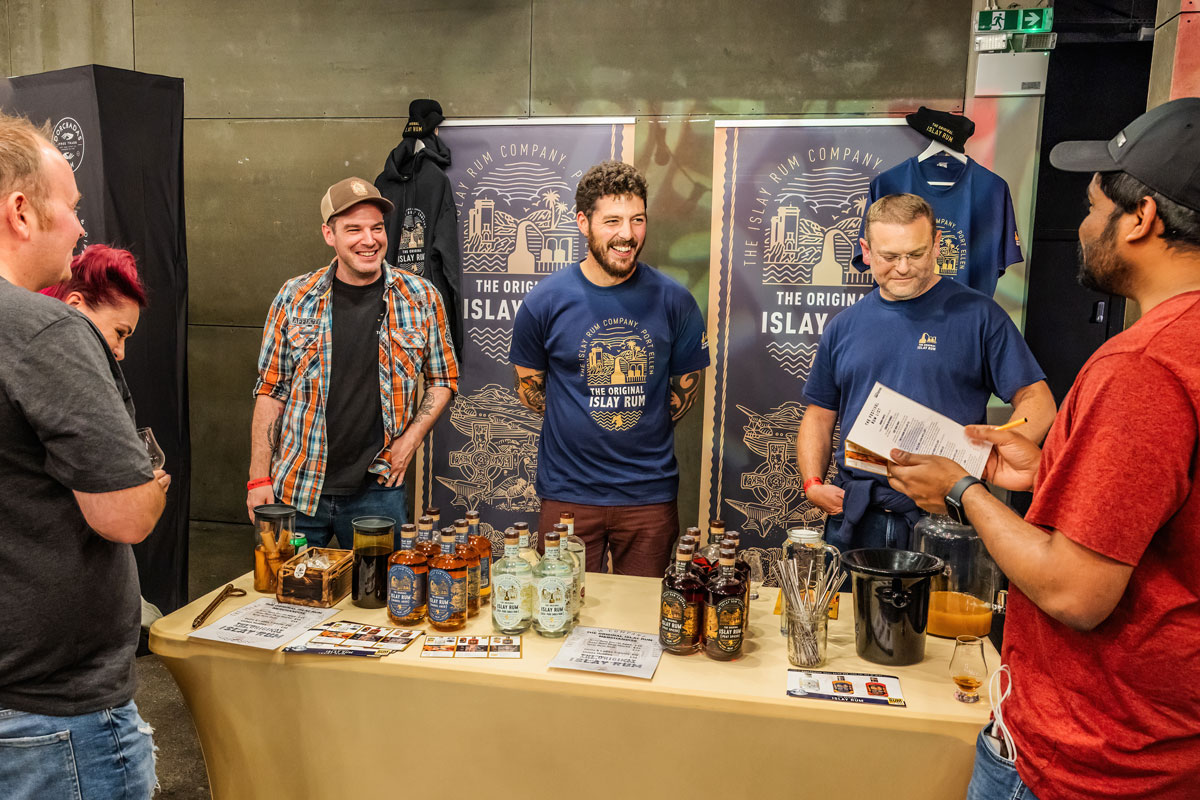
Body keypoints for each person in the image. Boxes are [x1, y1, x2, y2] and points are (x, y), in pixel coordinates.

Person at [887, 98, 1200, 800]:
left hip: (1093, 762)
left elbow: (1074, 590)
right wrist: (1049, 469)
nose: (1082, 226)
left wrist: (963, 490)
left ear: (1142, 218)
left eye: (1092, 207)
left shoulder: (1142, 366)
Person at [0, 113, 169, 799]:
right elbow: (125, 514)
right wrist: (153, 479)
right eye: (70, 207)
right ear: (20, 210)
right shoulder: (47, 331)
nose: (79, 227)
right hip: (54, 721)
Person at [797, 192, 1055, 551]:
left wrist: (994, 451)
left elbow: (1037, 400)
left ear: (936, 245)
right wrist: (812, 483)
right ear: (866, 250)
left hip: (946, 516)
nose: (902, 267)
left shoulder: (979, 315)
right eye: (889, 256)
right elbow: (820, 415)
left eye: (915, 254)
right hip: (856, 515)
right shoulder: (844, 326)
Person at [510, 160, 709, 577]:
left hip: (648, 496)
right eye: (613, 220)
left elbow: (684, 389)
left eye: (637, 220)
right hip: (568, 495)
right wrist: (580, 419)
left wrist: (636, 418)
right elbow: (530, 387)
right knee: (559, 617)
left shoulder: (676, 301)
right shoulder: (544, 302)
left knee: (644, 623)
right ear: (584, 223)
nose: (627, 234)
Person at [249, 177, 458, 548]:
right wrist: (257, 479)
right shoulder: (295, 297)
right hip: (297, 487)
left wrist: (410, 441)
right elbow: (271, 390)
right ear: (329, 235)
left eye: (377, 228)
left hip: (378, 489)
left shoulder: (421, 297)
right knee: (290, 600)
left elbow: (443, 378)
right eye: (354, 229)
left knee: (380, 601)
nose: (369, 239)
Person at [42, 244, 164, 636]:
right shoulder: (67, 377)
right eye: (119, 333)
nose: (121, 351)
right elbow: (127, 518)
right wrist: (149, 493)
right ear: (75, 303)